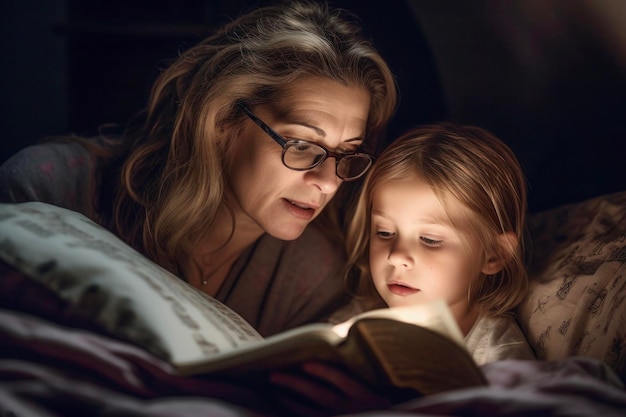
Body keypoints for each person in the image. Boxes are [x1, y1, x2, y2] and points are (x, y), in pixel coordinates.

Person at [0, 0, 397, 337]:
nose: (328, 183)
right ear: (223, 120)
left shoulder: (310, 279)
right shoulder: (50, 192)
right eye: (302, 145)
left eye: (346, 154)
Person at [336, 123, 536, 365]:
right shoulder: (357, 318)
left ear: (494, 254)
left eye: (430, 240)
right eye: (385, 232)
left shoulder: (498, 357)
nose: (396, 256)